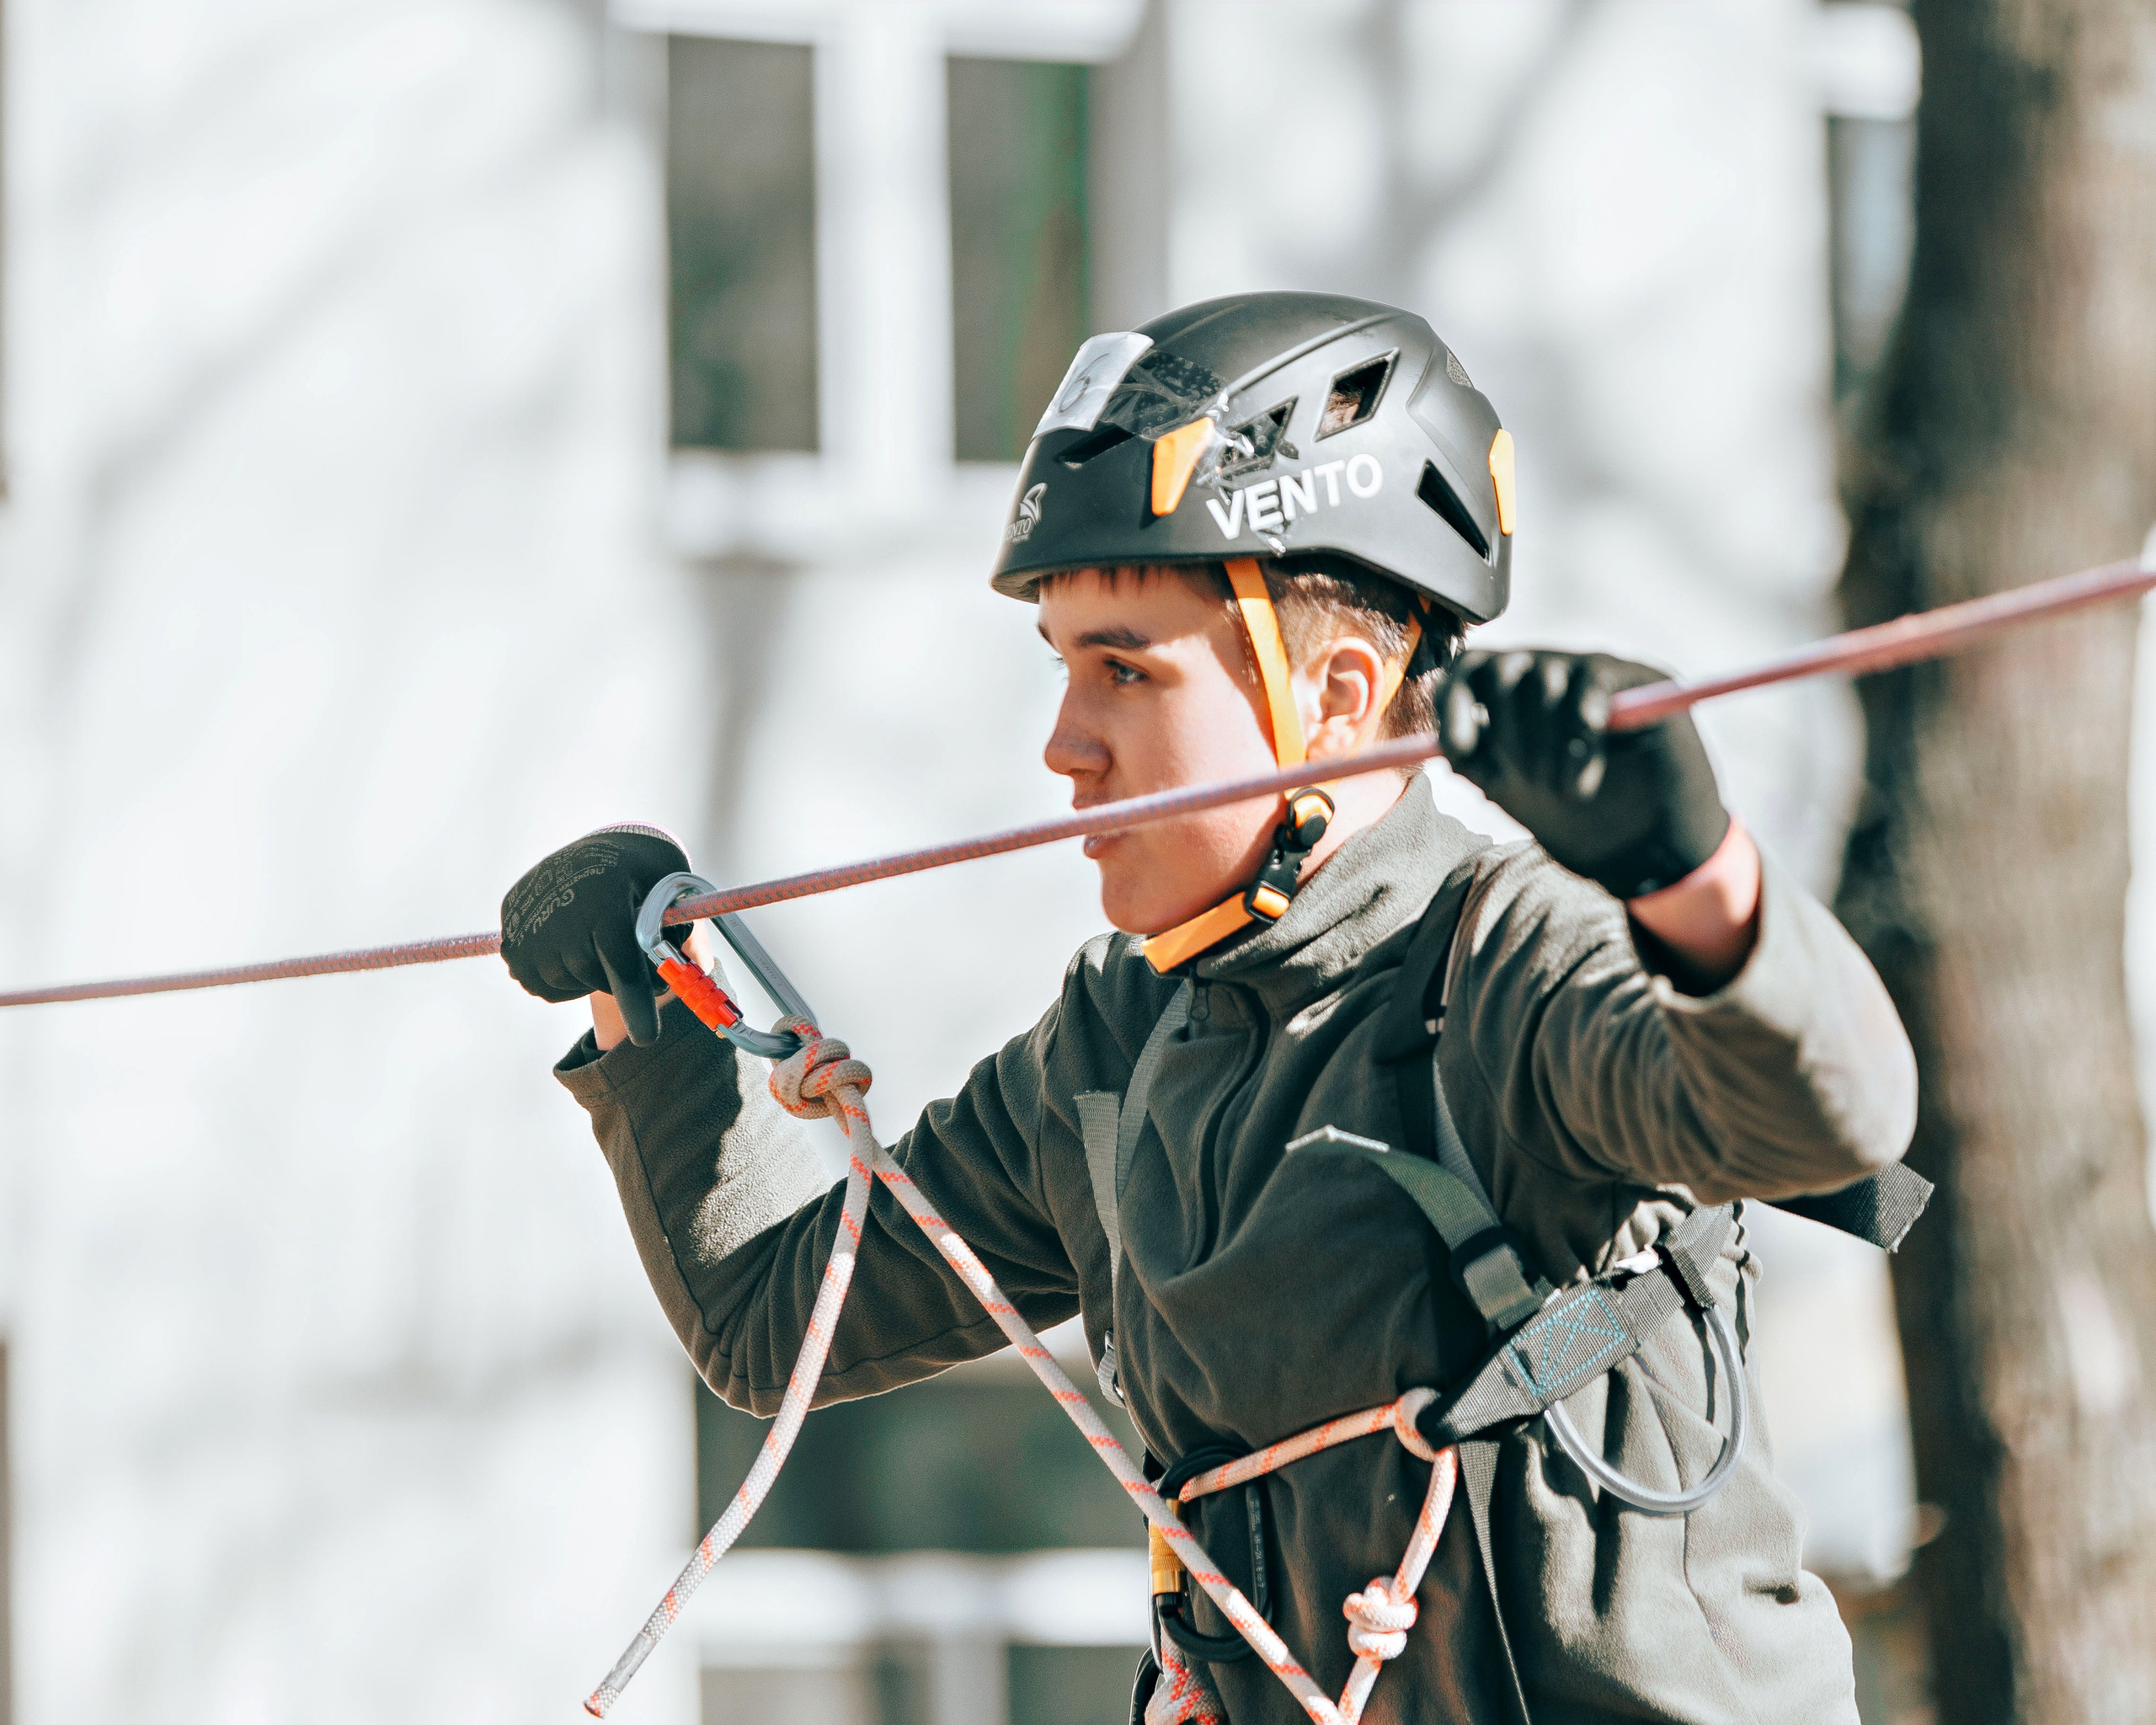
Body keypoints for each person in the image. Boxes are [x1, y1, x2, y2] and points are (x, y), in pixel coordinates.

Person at [501, 292, 1917, 1724]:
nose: (1065, 746)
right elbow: (770, 1323)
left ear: (1342, 694)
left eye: (1126, 669)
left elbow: (1827, 1114)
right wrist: (650, 1014)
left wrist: (1694, 880)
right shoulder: (1111, 1053)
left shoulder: (1511, 966)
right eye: (1062, 668)